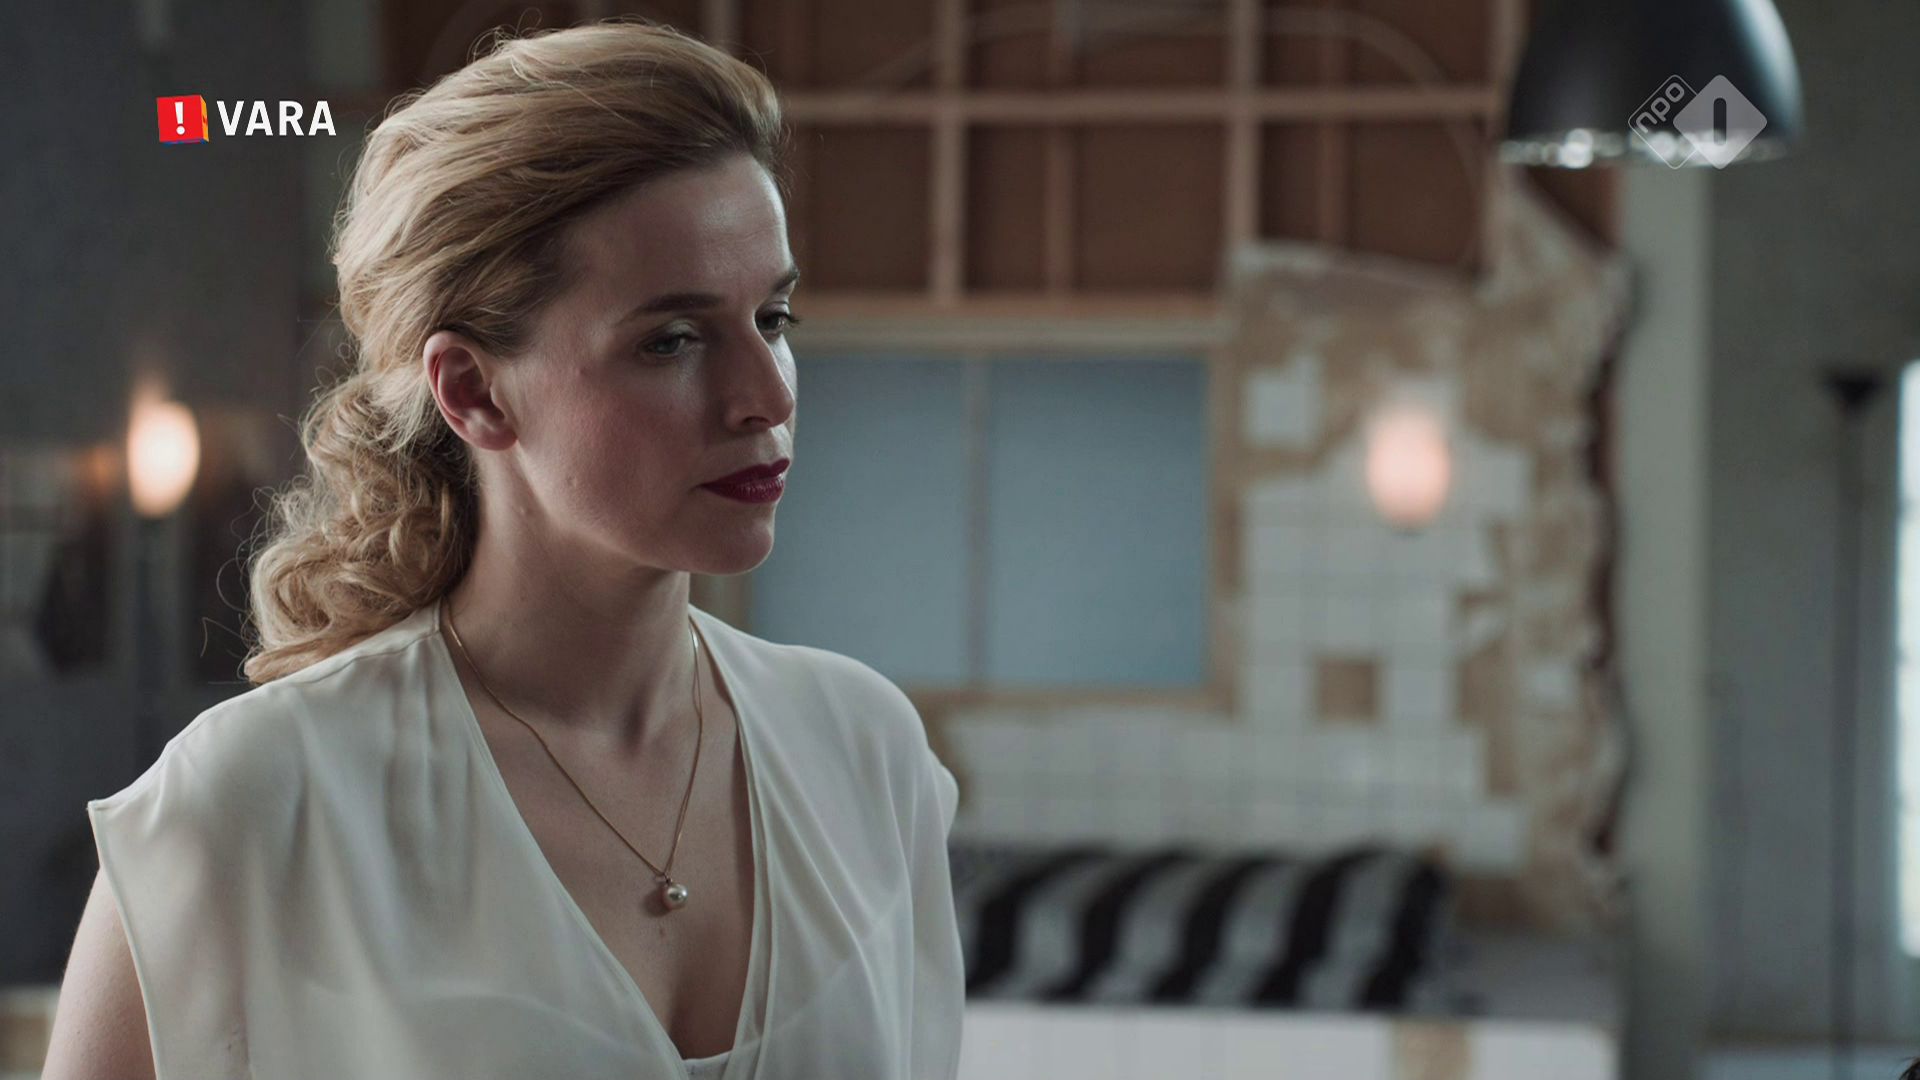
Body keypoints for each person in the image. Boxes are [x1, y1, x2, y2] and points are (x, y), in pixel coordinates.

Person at [41, 18, 964, 1080]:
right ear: (474, 390)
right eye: (671, 339)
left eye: (774, 317)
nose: (767, 397)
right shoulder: (256, 802)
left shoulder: (864, 753)